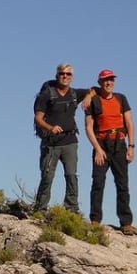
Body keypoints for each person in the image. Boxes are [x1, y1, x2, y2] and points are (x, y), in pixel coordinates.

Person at [33, 63, 93, 213]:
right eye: (62, 74)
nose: (65, 76)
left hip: (70, 141)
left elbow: (94, 90)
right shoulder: (47, 94)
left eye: (68, 74)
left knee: (71, 175)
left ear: (72, 77)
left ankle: (71, 208)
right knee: (47, 176)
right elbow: (38, 118)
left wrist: (88, 98)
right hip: (51, 142)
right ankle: (40, 209)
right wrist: (50, 128)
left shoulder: (74, 94)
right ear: (57, 75)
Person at [84, 69, 135, 234]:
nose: (109, 82)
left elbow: (129, 123)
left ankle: (126, 222)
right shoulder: (93, 100)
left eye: (111, 79)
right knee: (98, 183)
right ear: (100, 82)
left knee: (122, 184)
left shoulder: (121, 98)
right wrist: (97, 149)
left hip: (119, 144)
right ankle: (95, 220)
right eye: (106, 80)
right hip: (101, 145)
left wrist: (131, 146)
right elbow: (88, 127)